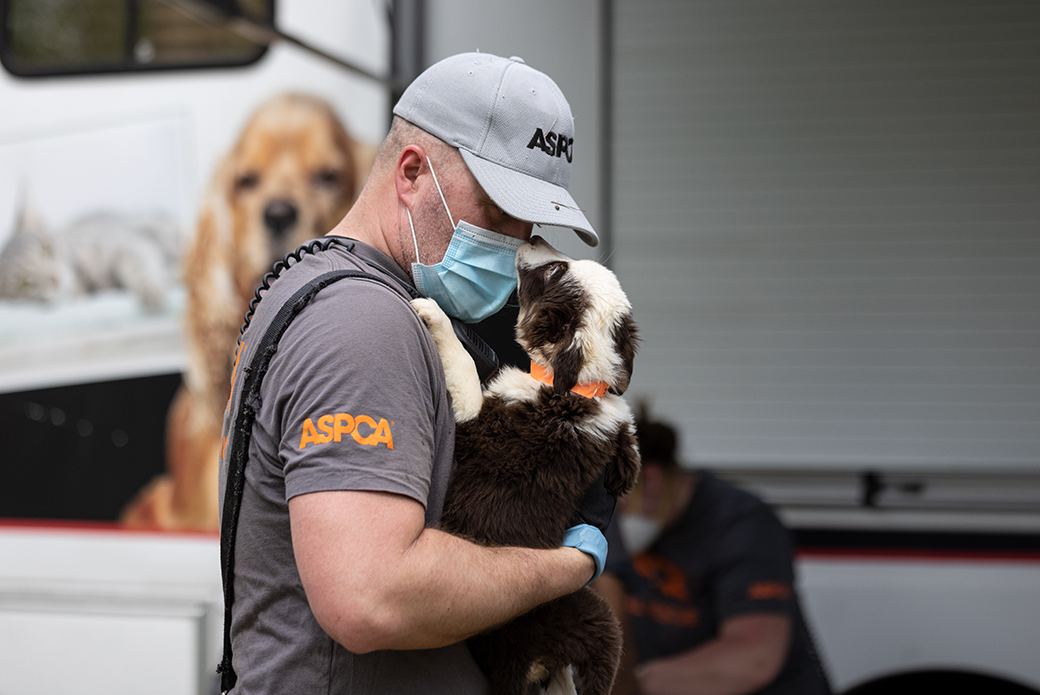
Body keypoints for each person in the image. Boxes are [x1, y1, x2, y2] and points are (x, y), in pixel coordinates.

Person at [217, 53, 611, 693]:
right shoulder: (363, 325)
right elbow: (370, 598)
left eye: (533, 218)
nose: (520, 239)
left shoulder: (317, 284)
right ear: (411, 173)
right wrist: (569, 563)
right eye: (499, 207)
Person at [593, 411, 833, 695]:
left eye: (620, 497)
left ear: (652, 478)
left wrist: (633, 682)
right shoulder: (612, 516)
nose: (614, 509)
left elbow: (754, 658)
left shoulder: (743, 524)